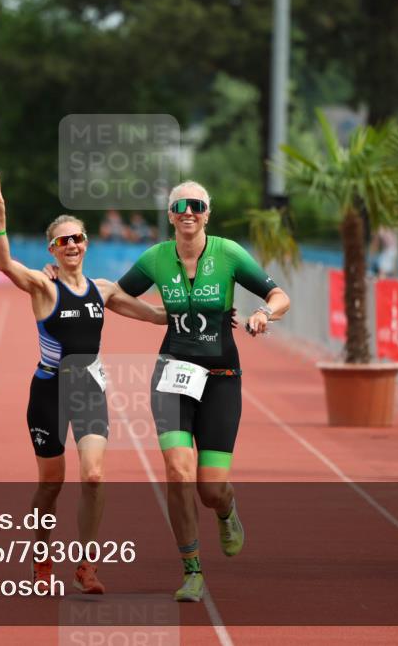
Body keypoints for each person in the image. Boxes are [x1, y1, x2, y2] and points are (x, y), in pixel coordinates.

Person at [0, 174, 168, 595]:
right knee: (51, 485)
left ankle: (86, 565)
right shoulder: (43, 287)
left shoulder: (103, 291)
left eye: (77, 238)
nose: (71, 245)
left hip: (88, 391)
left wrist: (198, 309)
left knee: (96, 476)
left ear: (87, 243)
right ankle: (42, 553)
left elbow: (155, 315)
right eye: (63, 241)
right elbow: (5, 266)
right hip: (48, 392)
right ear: (52, 249)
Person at [115, 180, 290, 602]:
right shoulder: (156, 258)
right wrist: (154, 315)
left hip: (222, 378)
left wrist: (265, 314)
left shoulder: (228, 254)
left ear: (207, 213)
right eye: (180, 206)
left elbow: (279, 294)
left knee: (210, 488)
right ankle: (191, 569)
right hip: (172, 373)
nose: (188, 212)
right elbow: (115, 295)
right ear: (171, 215)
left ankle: (226, 510)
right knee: (177, 472)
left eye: (196, 206)